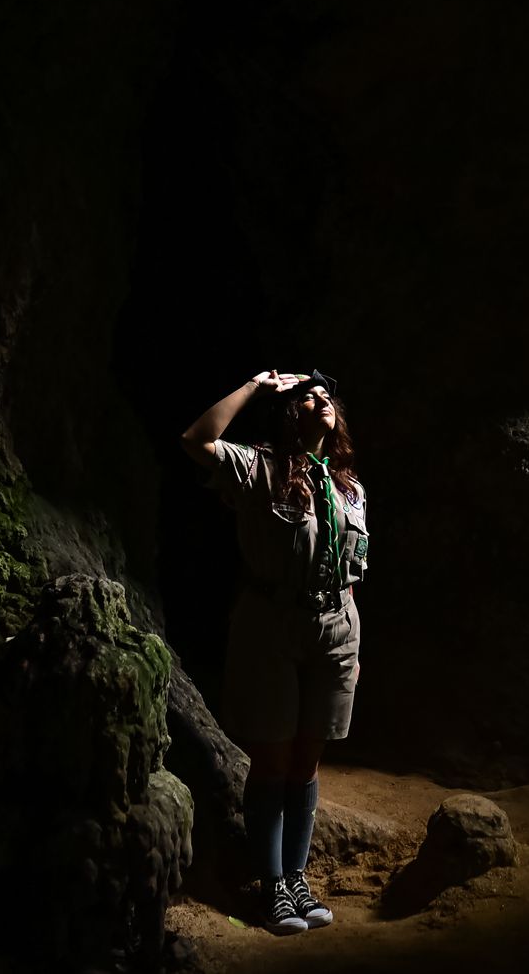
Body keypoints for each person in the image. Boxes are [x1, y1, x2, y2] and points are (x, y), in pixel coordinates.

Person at [181, 369, 370, 935]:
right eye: (308, 396)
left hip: (336, 626)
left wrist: (351, 640)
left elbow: (350, 569)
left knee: (307, 762)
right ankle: (273, 886)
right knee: (273, 760)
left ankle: (296, 876)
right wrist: (256, 388)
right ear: (289, 414)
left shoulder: (349, 486)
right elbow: (196, 440)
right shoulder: (260, 468)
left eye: (326, 395)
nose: (320, 401)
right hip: (273, 625)